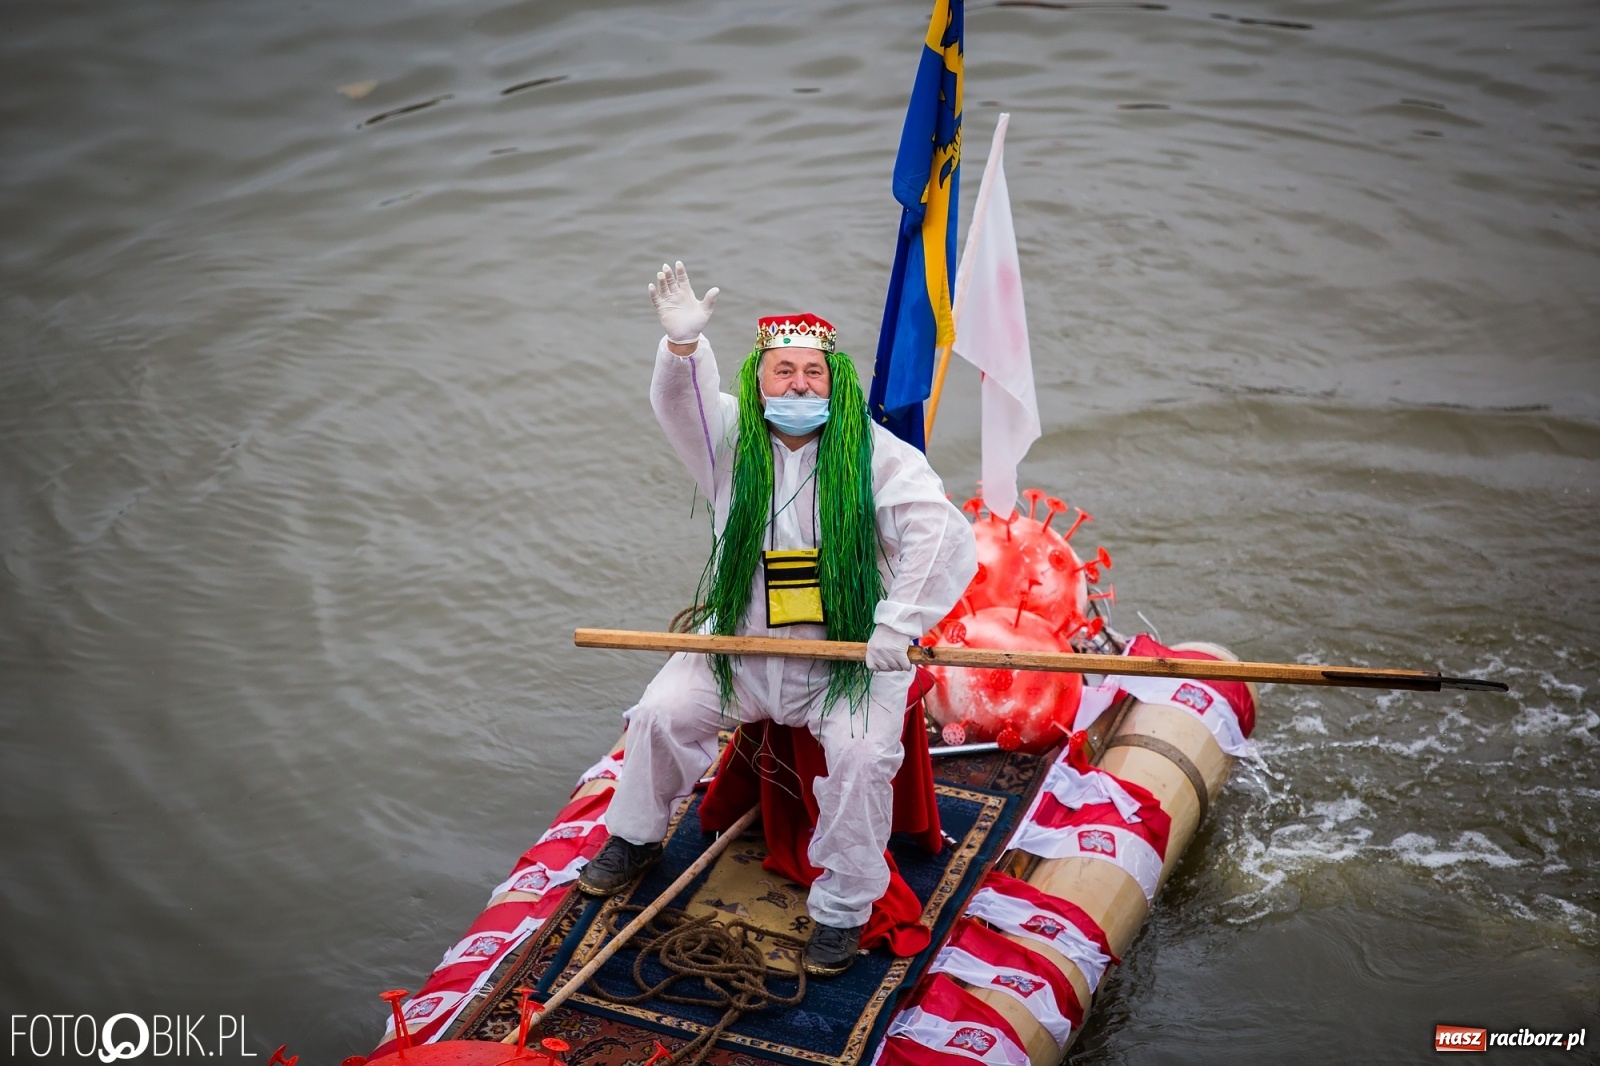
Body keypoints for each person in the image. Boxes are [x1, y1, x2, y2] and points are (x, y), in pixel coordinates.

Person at [577, 261, 977, 977]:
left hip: (848, 661)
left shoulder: (877, 454)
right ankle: (633, 838)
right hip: (742, 647)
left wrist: (897, 625)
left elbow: (940, 532)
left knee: (859, 760)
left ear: (835, 382)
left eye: (812, 373)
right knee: (660, 713)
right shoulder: (730, 440)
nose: (797, 384)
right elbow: (684, 406)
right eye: (782, 371)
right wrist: (681, 350)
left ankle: (843, 908)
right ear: (758, 383)